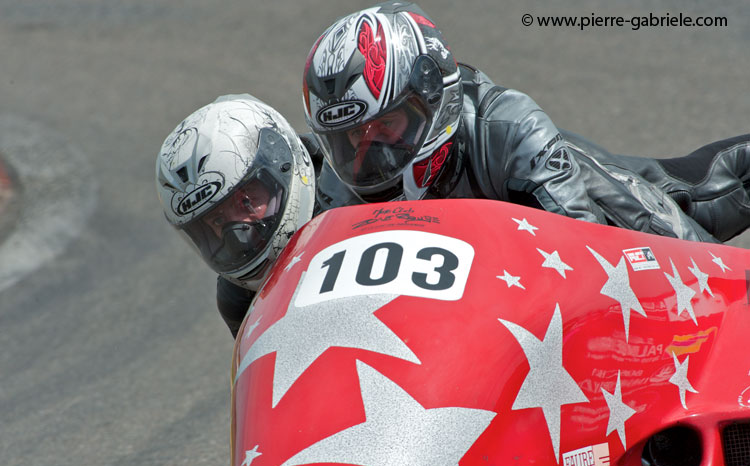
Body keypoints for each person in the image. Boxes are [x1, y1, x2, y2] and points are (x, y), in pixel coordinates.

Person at [302, 1, 750, 243]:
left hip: (623, 214)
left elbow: (585, 260)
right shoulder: (335, 188)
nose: (370, 154)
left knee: (701, 248)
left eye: (387, 126)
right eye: (351, 139)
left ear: (434, 100)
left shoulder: (510, 131)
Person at [156, 94, 316, 337]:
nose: (240, 234)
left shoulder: (350, 194)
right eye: (218, 221)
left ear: (281, 168)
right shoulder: (237, 299)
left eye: (246, 201)